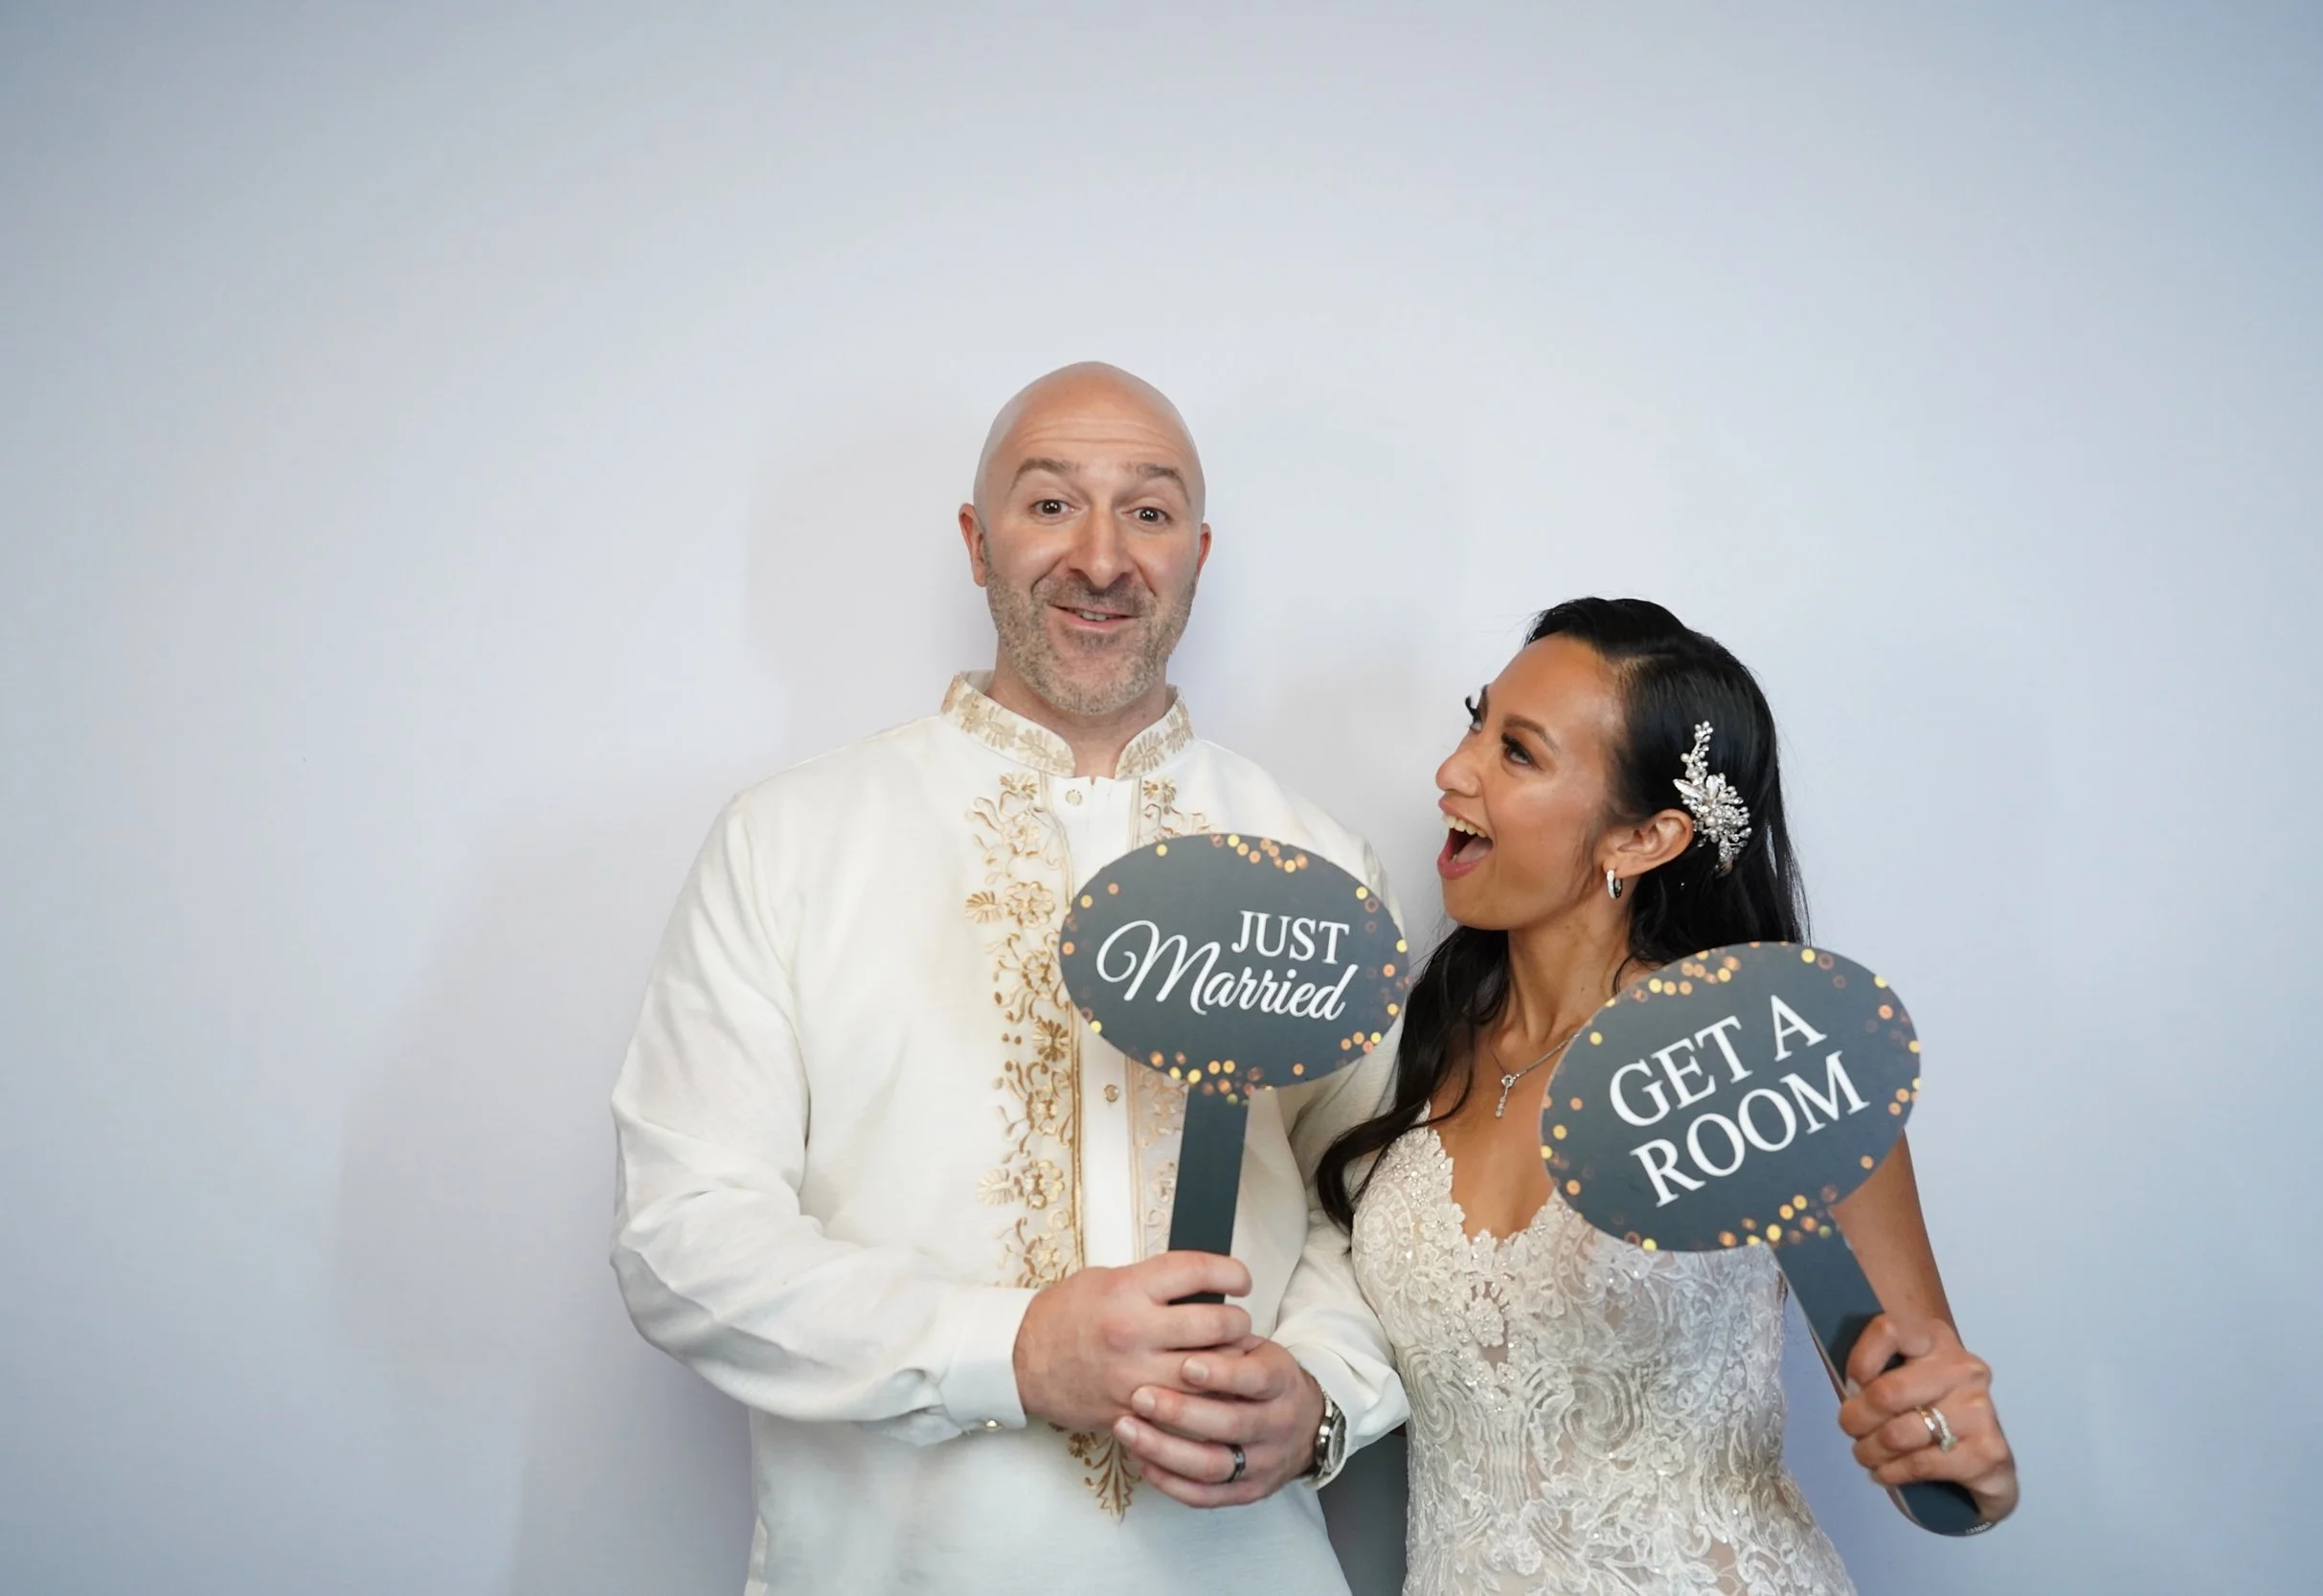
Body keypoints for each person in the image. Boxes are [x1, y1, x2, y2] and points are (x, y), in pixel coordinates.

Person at [609, 363, 1408, 1594]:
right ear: (977, 542)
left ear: (1199, 551)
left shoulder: (1317, 863)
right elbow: (684, 1237)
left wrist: (1321, 1393)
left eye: (1146, 512)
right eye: (1050, 505)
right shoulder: (791, 838)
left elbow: (1382, 1211)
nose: (1100, 557)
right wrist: (1013, 1348)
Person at [1311, 597, 2019, 1594]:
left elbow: (1930, 1441)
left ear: (1642, 837)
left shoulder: (1769, 1060)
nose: (1452, 770)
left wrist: (1964, 1457)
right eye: (1476, 721)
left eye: (1516, 752)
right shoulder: (1414, 1044)